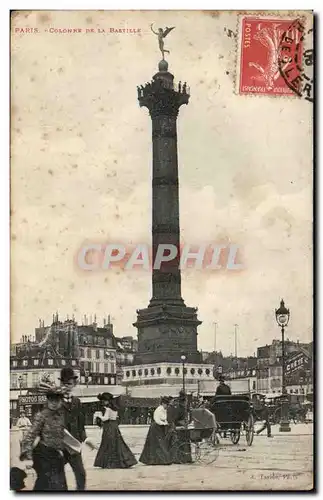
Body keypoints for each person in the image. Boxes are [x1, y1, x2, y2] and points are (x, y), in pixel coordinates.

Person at [19, 387, 68, 491]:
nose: (54, 403)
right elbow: (30, 436)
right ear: (48, 400)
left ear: (60, 401)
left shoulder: (62, 415)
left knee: (60, 485)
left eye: (57, 400)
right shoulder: (41, 416)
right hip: (43, 455)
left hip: (57, 455)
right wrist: (27, 456)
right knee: (45, 482)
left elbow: (65, 435)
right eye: (51, 400)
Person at [59, 366, 87, 491]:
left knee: (81, 474)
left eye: (69, 383)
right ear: (60, 383)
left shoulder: (77, 401)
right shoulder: (55, 401)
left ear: (74, 384)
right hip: (59, 445)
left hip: (74, 444)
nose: (66, 386)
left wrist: (84, 439)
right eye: (64, 383)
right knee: (58, 476)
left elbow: (81, 423)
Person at [94, 393, 137, 469]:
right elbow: (116, 417)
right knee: (117, 443)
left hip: (109, 426)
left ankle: (109, 462)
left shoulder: (108, 409)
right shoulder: (115, 408)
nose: (103, 402)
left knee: (107, 443)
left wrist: (98, 415)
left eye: (104, 401)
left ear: (107, 401)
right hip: (114, 426)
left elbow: (105, 418)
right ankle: (125, 461)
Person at [139, 396, 172, 465]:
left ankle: (159, 460)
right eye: (166, 404)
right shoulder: (159, 409)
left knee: (160, 443)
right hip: (156, 427)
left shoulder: (164, 409)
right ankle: (160, 460)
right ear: (163, 403)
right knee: (158, 444)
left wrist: (166, 423)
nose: (167, 406)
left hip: (160, 427)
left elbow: (164, 418)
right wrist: (165, 424)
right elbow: (157, 419)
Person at [167, 391, 192, 464]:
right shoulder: (179, 408)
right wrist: (183, 423)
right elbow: (176, 419)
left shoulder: (182, 407)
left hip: (183, 427)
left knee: (186, 441)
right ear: (184, 401)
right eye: (186, 401)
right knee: (182, 442)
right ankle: (181, 458)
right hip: (179, 428)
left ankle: (186, 458)